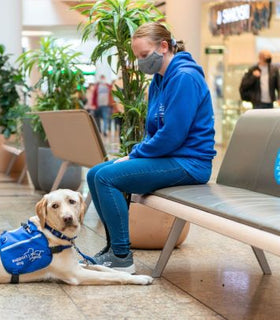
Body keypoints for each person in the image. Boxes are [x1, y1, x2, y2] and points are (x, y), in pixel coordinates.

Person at [86, 22, 216, 273]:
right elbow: (154, 131)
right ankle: (113, 249)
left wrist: (135, 155)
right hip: (170, 158)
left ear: (164, 47)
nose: (140, 63)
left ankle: (122, 256)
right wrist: (133, 155)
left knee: (105, 178)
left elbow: (173, 135)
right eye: (138, 57)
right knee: (94, 173)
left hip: (190, 163)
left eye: (144, 56)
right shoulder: (160, 79)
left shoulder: (184, 77)